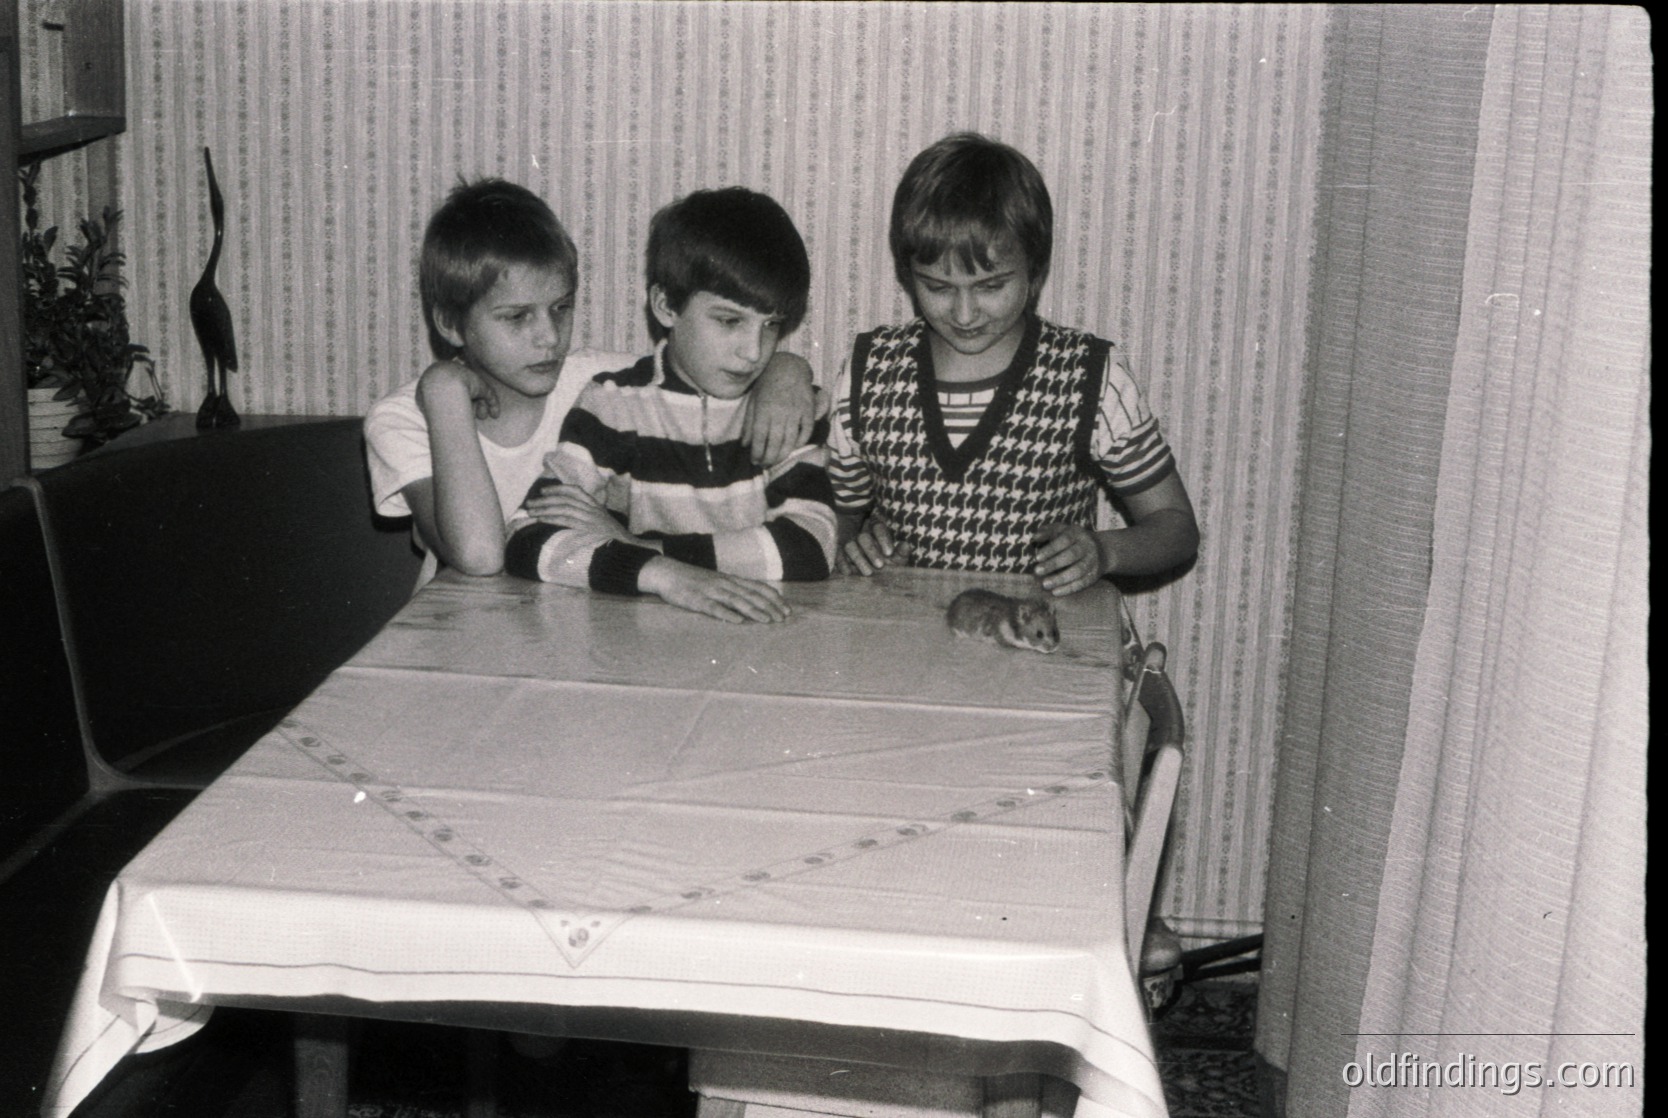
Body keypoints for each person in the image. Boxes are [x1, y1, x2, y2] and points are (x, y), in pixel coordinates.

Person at [364, 178, 817, 587]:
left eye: (561, 308)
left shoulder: (598, 383)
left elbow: (700, 366)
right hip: (462, 637)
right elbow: (481, 557)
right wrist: (443, 392)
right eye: (517, 316)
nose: (549, 337)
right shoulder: (402, 418)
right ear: (449, 323)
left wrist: (786, 369)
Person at [829, 133, 1199, 595]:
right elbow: (838, 515)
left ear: (1036, 272)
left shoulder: (1090, 378)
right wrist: (852, 545)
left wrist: (1105, 551)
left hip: (1036, 648)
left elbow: (1176, 527)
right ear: (908, 276)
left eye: (990, 286)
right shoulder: (870, 373)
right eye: (938, 288)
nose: (964, 314)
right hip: (906, 646)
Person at [503, 186, 836, 623]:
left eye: (771, 325)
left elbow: (811, 546)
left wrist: (638, 547)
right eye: (729, 320)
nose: (754, 352)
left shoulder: (787, 406)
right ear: (665, 306)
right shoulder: (612, 404)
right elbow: (527, 538)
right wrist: (665, 576)